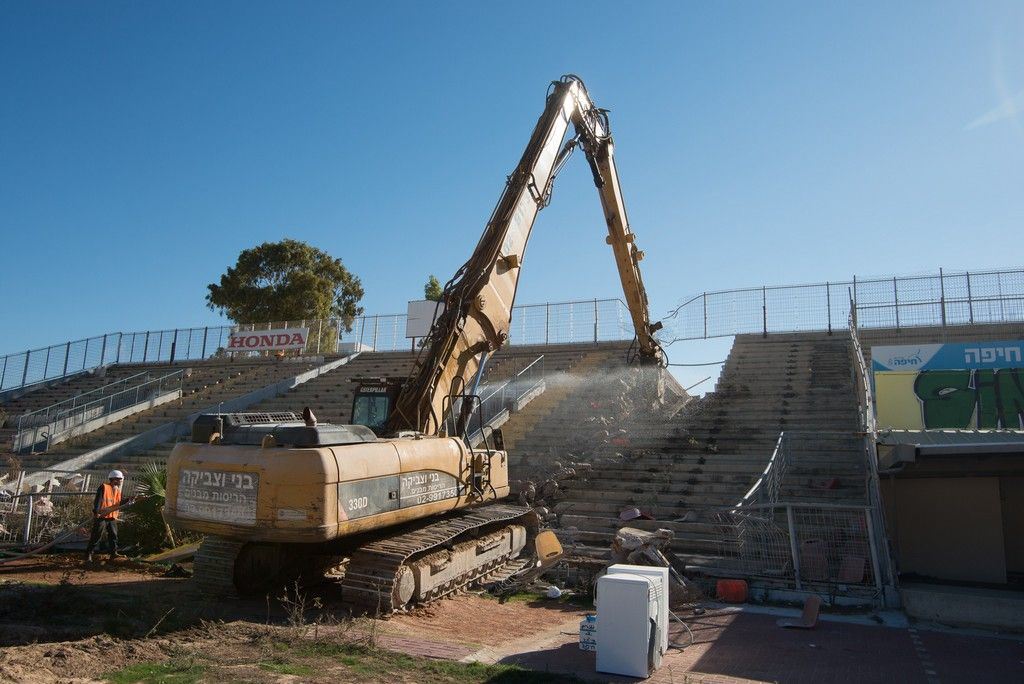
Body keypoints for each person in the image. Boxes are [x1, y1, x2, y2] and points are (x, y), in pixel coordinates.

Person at [85, 470, 135, 562]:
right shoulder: (104, 487)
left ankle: (113, 553)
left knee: (113, 535)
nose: (121, 481)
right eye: (119, 479)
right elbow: (98, 500)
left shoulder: (117, 490)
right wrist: (96, 511)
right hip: (102, 516)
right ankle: (89, 554)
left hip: (112, 516)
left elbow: (118, 503)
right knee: (96, 536)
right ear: (114, 479)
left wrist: (129, 499)